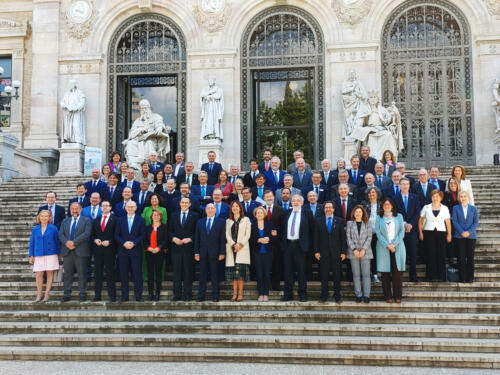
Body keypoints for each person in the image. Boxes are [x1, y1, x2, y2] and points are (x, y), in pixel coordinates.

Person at [281, 194, 313, 302]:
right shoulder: (287, 213)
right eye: (293, 200)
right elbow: (283, 229)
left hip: (301, 246)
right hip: (288, 245)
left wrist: (308, 246)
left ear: (302, 203)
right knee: (287, 272)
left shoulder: (307, 213)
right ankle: (288, 294)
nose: (295, 202)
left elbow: (311, 230)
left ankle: (302, 294)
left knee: (301, 272)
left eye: (298, 201)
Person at [59, 202, 92, 302]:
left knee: (82, 274)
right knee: (67, 274)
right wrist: (67, 242)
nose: (74, 210)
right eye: (72, 208)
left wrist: (74, 242)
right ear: (70, 210)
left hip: (81, 251)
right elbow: (60, 234)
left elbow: (87, 234)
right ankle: (67, 294)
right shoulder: (65, 221)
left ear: (80, 209)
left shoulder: (86, 220)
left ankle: (82, 294)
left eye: (76, 208)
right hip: (67, 251)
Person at [374, 197, 406, 303]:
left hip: (398, 248)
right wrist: (388, 245)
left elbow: (402, 232)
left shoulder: (399, 216)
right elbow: (378, 233)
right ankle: (388, 296)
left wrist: (393, 244)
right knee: (385, 274)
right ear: (382, 207)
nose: (387, 206)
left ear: (392, 206)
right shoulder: (379, 218)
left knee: (397, 274)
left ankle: (398, 296)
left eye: (388, 204)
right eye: (385, 204)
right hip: (383, 248)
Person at [314, 201, 346, 303]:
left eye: (330, 207)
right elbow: (316, 238)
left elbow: (343, 238)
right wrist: (316, 251)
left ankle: (337, 296)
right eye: (326, 207)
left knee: (337, 275)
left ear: (333, 209)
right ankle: (324, 295)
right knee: (324, 275)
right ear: (324, 209)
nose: (328, 209)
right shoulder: (318, 221)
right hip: (323, 253)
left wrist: (343, 252)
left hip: (336, 253)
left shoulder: (339, 221)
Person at [169, 197, 199, 301]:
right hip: (176, 248)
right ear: (180, 203)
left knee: (188, 273)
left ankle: (187, 295)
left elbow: (197, 232)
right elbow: (169, 230)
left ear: (190, 204)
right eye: (183, 202)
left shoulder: (195, 216)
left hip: (189, 248)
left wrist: (190, 239)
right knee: (176, 273)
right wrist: (173, 238)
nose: (185, 204)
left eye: (187, 203)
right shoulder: (174, 215)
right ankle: (176, 295)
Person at [194, 203, 226, 302]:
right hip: (203, 253)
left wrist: (222, 252)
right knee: (202, 275)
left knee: (214, 275)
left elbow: (222, 239)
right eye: (208, 208)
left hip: (215, 253)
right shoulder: (200, 222)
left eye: (212, 208)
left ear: (215, 210)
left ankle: (215, 296)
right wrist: (196, 252)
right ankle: (201, 296)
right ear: (206, 210)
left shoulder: (221, 222)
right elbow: (197, 238)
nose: (210, 210)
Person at [115, 200, 146, 302]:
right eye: (128, 207)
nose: (130, 208)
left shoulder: (141, 220)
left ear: (136, 208)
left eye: (132, 207)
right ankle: (125, 296)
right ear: (125, 208)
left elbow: (142, 234)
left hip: (136, 250)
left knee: (137, 274)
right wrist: (124, 243)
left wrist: (134, 243)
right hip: (123, 250)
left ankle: (138, 296)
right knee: (123, 274)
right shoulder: (120, 220)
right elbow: (116, 235)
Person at [418, 190, 452, 282]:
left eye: (437, 196)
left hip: (441, 232)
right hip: (429, 232)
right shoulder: (426, 207)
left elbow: (448, 222)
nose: (435, 198)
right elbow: (420, 220)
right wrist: (420, 233)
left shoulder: (445, 208)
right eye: (433, 196)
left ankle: (441, 277)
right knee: (430, 254)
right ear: (431, 197)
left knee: (441, 254)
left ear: (441, 197)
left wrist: (449, 234)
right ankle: (430, 277)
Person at [29, 210, 61, 302]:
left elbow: (57, 242)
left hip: (51, 253)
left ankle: (47, 293)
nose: (44, 218)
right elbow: (32, 242)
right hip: (38, 253)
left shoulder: (54, 228)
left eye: (46, 216)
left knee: (50, 273)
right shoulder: (35, 229)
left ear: (49, 217)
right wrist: (31, 255)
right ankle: (39, 294)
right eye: (42, 216)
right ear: (39, 217)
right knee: (39, 274)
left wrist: (58, 254)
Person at [394, 178, 421, 282]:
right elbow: (395, 213)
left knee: (413, 253)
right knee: (399, 253)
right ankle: (398, 276)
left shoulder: (415, 197)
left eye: (407, 184)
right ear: (399, 186)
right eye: (403, 184)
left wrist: (411, 224)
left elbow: (417, 212)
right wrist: (404, 224)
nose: (405, 186)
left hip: (412, 230)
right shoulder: (395, 198)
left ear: (409, 186)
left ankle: (413, 275)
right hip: (400, 230)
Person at [225, 201, 251, 302]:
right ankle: (234, 294)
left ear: (240, 208)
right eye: (233, 206)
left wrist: (239, 245)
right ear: (231, 209)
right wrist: (233, 244)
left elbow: (247, 234)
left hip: (242, 249)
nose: (235, 208)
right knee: (233, 276)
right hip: (232, 249)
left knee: (240, 275)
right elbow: (227, 234)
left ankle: (240, 294)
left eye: (237, 206)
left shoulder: (246, 220)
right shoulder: (228, 221)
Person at [91, 200, 117, 302]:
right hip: (98, 250)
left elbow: (117, 234)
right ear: (101, 207)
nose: (105, 207)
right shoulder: (97, 219)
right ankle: (97, 295)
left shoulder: (115, 219)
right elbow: (92, 234)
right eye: (103, 206)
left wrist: (110, 242)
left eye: (107, 206)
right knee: (98, 273)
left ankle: (112, 295)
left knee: (110, 273)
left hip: (110, 250)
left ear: (110, 207)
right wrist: (95, 239)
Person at [346, 205, 373, 303]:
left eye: (360, 212)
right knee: (356, 274)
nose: (358, 213)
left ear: (363, 213)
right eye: (356, 211)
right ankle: (358, 294)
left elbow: (369, 237)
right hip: (353, 253)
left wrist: (363, 249)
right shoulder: (349, 223)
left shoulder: (367, 223)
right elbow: (348, 238)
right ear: (353, 213)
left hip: (365, 252)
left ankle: (366, 295)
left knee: (366, 274)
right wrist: (354, 249)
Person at [251, 206, 278, 302]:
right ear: (255, 214)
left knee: (266, 274)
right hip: (257, 253)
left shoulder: (270, 224)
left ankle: (266, 294)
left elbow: (275, 236)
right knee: (259, 273)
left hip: (268, 253)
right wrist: (258, 240)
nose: (259, 214)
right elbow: (250, 239)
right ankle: (260, 293)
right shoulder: (252, 225)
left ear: (264, 214)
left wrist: (269, 239)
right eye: (258, 213)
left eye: (261, 213)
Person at [452, 191, 479, 283]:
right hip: (459, 236)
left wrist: (468, 232)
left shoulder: (473, 208)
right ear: (459, 198)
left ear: (468, 197)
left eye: (465, 196)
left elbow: (475, 222)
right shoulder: (455, 208)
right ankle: (462, 277)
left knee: (470, 257)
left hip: (471, 236)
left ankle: (470, 277)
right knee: (461, 257)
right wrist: (462, 232)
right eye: (461, 196)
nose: (463, 198)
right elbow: (455, 221)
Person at [262, 190, 285, 290]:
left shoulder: (280, 209)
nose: (269, 198)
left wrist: (276, 231)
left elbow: (283, 225)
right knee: (265, 265)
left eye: (270, 196)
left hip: (276, 243)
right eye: (267, 196)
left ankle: (276, 286)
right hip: (264, 242)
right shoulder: (260, 209)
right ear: (264, 198)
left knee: (276, 264)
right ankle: (265, 286)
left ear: (274, 197)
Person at [144, 210, 168, 301]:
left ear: (160, 217)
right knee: (150, 273)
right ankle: (150, 293)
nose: (156, 216)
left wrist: (159, 247)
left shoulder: (164, 227)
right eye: (154, 215)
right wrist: (148, 248)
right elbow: (145, 240)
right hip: (149, 252)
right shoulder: (148, 228)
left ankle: (157, 292)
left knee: (158, 273)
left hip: (159, 252)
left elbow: (165, 240)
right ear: (151, 217)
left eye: (158, 215)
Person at [363, 187, 381, 283]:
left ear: (377, 194)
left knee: (377, 254)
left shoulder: (381, 205)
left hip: (379, 233)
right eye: (370, 193)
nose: (372, 194)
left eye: (373, 192)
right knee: (369, 254)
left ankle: (376, 273)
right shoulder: (364, 205)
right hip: (367, 233)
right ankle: (370, 273)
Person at [443, 177, 461, 262]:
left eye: (454, 183)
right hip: (449, 220)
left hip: (460, 221)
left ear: (457, 184)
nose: (453, 184)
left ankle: (459, 256)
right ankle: (450, 257)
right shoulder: (445, 194)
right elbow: (444, 207)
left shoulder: (461, 194)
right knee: (450, 238)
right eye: (451, 183)